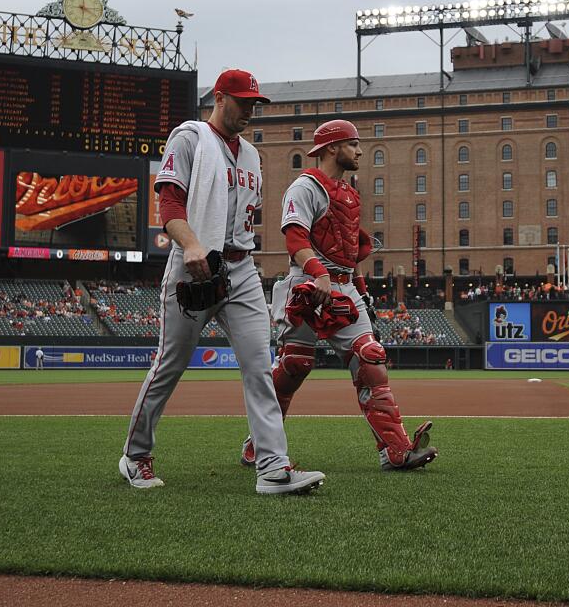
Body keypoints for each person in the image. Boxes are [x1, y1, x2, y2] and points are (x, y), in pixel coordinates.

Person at [119, 69, 324, 495]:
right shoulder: (190, 137)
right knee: (170, 365)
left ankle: (272, 469)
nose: (250, 109)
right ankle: (135, 456)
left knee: (258, 367)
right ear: (219, 97)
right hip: (192, 263)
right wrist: (192, 244)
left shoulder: (252, 155)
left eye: (255, 103)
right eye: (244, 101)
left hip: (242, 269)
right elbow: (169, 200)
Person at [241, 119, 438, 472]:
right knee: (294, 366)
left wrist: (360, 289)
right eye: (353, 144)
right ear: (333, 148)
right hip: (308, 284)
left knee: (371, 358)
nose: (360, 150)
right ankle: (258, 444)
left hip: (343, 286)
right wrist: (319, 275)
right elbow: (295, 238)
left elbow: (348, 251)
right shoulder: (304, 187)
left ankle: (395, 450)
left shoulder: (349, 192)